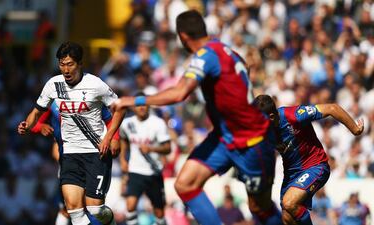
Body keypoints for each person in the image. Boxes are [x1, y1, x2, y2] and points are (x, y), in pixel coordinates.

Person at [112, 10, 282, 225]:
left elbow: (179, 93)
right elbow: (244, 69)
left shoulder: (206, 55)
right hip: (224, 136)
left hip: (252, 140)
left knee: (259, 207)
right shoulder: (224, 49)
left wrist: (133, 101)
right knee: (185, 184)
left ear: (183, 36)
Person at [17, 41, 126, 225]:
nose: (65, 70)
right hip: (69, 154)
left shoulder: (95, 84)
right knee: (73, 209)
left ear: (79, 64)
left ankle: (111, 222)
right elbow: (36, 112)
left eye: (70, 64)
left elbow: (120, 109)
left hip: (95, 153)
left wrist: (110, 137)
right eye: (62, 64)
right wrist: (26, 125)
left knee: (95, 209)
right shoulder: (54, 85)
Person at [254, 95, 364, 225]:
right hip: (291, 175)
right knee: (287, 218)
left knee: (289, 202)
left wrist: (355, 129)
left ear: (271, 117)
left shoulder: (293, 115)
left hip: (315, 166)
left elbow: (332, 108)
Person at [31, 100, 120, 225]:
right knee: (69, 209)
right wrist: (40, 127)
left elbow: (109, 118)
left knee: (94, 208)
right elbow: (33, 122)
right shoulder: (53, 100)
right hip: (68, 162)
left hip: (93, 159)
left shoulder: (90, 96)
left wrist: (115, 138)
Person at [119, 92, 171, 225]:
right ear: (133, 107)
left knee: (159, 212)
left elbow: (168, 148)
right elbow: (123, 139)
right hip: (135, 171)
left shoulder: (158, 123)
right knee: (130, 206)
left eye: (144, 105)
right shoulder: (127, 123)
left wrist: (152, 149)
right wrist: (123, 160)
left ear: (149, 106)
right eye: (138, 105)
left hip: (153, 172)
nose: (141, 108)